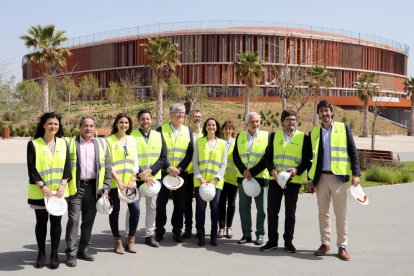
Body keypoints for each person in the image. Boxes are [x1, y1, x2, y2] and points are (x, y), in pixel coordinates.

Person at [308, 100, 361, 261]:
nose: (324, 114)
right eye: (321, 111)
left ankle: (342, 246)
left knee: (340, 214)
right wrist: (310, 179)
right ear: (318, 114)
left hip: (339, 177)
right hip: (321, 178)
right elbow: (311, 158)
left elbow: (353, 151)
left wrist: (356, 174)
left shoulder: (343, 128)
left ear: (331, 112)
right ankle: (325, 243)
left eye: (327, 111)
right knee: (323, 213)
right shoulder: (314, 132)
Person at [27, 112, 73, 269]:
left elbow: (67, 166)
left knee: (56, 222)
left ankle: (54, 254)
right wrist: (43, 187)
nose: (53, 126)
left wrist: (63, 184)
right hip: (40, 191)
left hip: (59, 192)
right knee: (41, 222)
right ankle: (41, 253)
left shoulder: (63, 143)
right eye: (50, 123)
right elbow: (32, 169)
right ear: (43, 125)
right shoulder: (34, 144)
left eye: (56, 124)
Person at [261, 110, 311, 253]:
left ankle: (288, 241)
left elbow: (308, 160)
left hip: (293, 181)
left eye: (294, 119)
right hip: (275, 180)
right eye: (289, 119)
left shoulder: (303, 137)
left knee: (290, 213)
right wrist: (271, 170)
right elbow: (267, 157)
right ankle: (272, 241)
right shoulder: (274, 136)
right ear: (282, 121)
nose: (292, 122)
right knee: (272, 212)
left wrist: (297, 170)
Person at [64, 116, 112, 267]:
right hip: (75, 188)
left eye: (91, 126)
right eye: (85, 125)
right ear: (80, 127)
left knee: (88, 221)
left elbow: (108, 167)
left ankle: (83, 250)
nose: (88, 128)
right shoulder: (70, 143)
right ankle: (71, 253)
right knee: (74, 220)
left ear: (94, 127)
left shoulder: (101, 144)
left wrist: (106, 185)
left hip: (94, 188)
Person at [155, 103, 194, 243]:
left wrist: (180, 169)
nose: (180, 115)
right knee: (161, 203)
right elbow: (157, 150)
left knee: (180, 204)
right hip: (164, 172)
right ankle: (159, 230)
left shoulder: (187, 131)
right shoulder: (161, 130)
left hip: (180, 174)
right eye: (177, 112)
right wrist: (168, 167)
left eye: (183, 113)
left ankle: (177, 231)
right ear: (171, 114)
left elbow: (190, 152)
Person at [131, 109, 167, 248]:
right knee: (133, 207)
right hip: (136, 178)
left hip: (153, 179)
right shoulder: (132, 136)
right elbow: (130, 157)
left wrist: (150, 171)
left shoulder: (158, 135)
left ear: (151, 120)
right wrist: (141, 173)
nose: (145, 121)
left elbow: (163, 157)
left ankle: (149, 235)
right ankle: (130, 234)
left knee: (152, 207)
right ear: (138, 120)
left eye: (147, 119)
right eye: (142, 119)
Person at [233, 112, 269, 246]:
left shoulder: (267, 136)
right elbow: (236, 156)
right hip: (244, 178)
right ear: (246, 123)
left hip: (260, 178)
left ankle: (260, 234)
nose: (255, 124)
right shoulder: (240, 136)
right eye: (253, 122)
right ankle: (246, 234)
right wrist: (244, 172)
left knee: (262, 209)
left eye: (257, 121)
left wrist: (252, 172)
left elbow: (267, 157)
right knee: (244, 207)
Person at [106, 113, 139, 254]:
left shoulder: (132, 140)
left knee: (135, 209)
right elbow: (109, 163)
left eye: (126, 122)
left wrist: (133, 178)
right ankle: (117, 241)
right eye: (121, 122)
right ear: (116, 124)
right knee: (114, 212)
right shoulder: (109, 140)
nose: (124, 125)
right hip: (115, 183)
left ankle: (131, 239)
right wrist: (118, 180)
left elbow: (136, 161)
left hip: (130, 183)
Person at [192, 118, 227, 246]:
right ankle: (200, 234)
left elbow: (223, 164)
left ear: (216, 127)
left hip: (216, 182)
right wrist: (199, 178)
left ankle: (213, 235)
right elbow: (195, 161)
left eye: (213, 125)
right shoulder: (199, 141)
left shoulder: (223, 143)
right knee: (200, 209)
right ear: (205, 127)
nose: (211, 127)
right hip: (200, 181)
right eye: (208, 125)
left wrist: (215, 179)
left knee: (215, 209)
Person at [183, 109, 203, 238]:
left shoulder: (205, 134)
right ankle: (188, 227)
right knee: (187, 202)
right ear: (189, 119)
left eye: (199, 117)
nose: (197, 119)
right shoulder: (185, 133)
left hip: (201, 174)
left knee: (201, 203)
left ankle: (199, 229)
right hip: (187, 172)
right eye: (195, 117)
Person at [218, 121, 238, 239]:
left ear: (233, 130)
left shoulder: (236, 143)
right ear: (222, 130)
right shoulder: (219, 142)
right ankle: (221, 227)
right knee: (220, 203)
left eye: (230, 129)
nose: (228, 131)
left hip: (232, 178)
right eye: (226, 128)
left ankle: (229, 227)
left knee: (231, 203)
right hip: (220, 178)